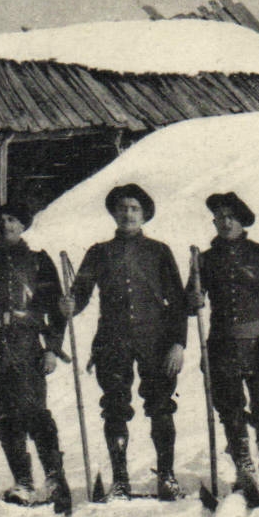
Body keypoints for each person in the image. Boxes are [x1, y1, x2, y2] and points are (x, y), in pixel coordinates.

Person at [62, 183, 189, 500]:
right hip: (112, 340)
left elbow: (177, 301)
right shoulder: (99, 252)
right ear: (114, 213)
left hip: (155, 341)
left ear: (144, 214)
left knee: (160, 406)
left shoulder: (158, 251)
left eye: (134, 208)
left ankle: (167, 476)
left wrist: (178, 343)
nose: (128, 214)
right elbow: (80, 293)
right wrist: (70, 305)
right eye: (122, 208)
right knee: (115, 407)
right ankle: (120, 479)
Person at [0, 201, 71, 506]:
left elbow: (57, 312)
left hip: (27, 348)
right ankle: (22, 481)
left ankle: (53, 477)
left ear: (23, 225)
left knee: (35, 413)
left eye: (12, 220)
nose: (6, 226)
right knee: (7, 419)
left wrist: (52, 348)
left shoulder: (39, 262)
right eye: (1, 222)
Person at [188, 192, 259, 493]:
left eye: (230, 217)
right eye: (219, 217)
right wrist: (193, 298)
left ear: (241, 220)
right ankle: (244, 465)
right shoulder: (204, 260)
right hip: (223, 346)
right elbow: (189, 303)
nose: (224, 222)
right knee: (230, 409)